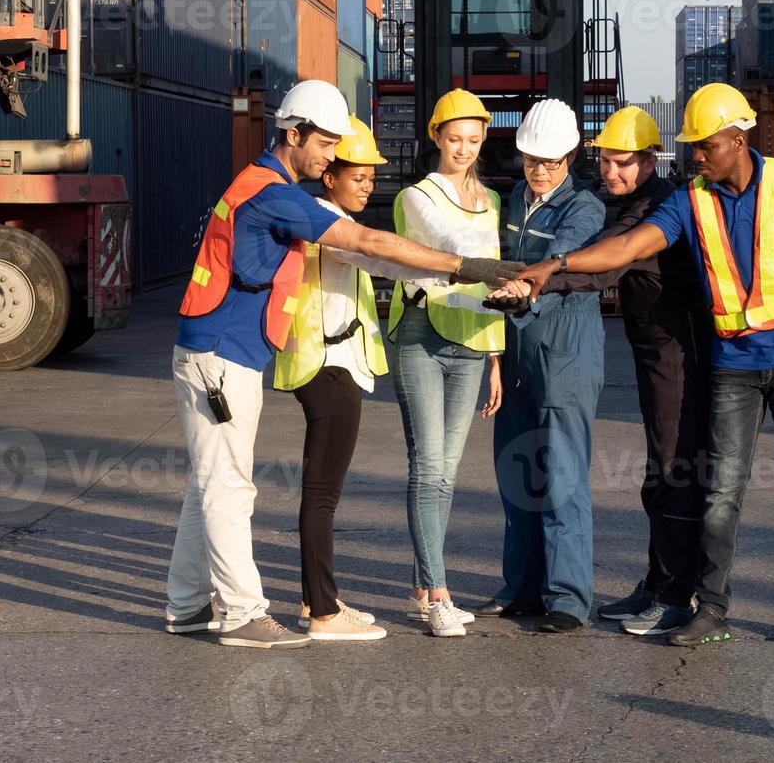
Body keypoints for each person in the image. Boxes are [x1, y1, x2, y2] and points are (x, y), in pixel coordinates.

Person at [163, 80, 520, 650]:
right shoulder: (276, 195)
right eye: (326, 144)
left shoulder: (272, 187)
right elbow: (366, 241)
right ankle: (241, 613)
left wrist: (455, 272)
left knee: (207, 485)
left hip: (221, 354)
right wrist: (464, 265)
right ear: (293, 134)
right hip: (220, 358)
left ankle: (186, 604)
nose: (333, 154)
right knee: (229, 487)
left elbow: (364, 253)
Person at [510, 83, 774, 648]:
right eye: (690, 144)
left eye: (703, 144)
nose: (694, 153)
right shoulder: (689, 200)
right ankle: (703, 605)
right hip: (731, 365)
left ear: (737, 141)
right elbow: (622, 249)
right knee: (717, 490)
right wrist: (555, 264)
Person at [490, 106, 711, 638]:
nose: (611, 173)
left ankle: (668, 593)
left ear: (649, 160)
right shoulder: (541, 198)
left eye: (623, 164)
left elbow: (605, 263)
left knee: (668, 470)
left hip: (674, 351)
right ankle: (642, 584)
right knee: (529, 471)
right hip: (631, 347)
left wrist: (539, 280)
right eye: (606, 162)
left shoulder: (657, 203)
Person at [273, 117, 448, 642]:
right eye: (359, 175)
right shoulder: (325, 221)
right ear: (330, 177)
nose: (369, 184)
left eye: (373, 176)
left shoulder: (322, 214)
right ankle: (324, 613)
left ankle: (315, 600)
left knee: (321, 490)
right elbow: (379, 256)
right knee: (322, 494)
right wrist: (456, 269)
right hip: (328, 366)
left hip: (331, 362)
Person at [470, 98, 606, 634]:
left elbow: (557, 265)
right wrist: (496, 356)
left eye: (550, 162)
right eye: (531, 160)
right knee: (516, 471)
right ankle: (521, 589)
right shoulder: (512, 202)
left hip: (566, 354)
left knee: (562, 477)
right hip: (519, 350)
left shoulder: (584, 209)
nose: (540, 170)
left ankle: (568, 600)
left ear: (571, 156)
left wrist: (526, 288)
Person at [387, 89, 508, 638]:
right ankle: (438, 594)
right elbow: (452, 245)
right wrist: (518, 270)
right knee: (428, 468)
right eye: (454, 138)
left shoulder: (495, 201)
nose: (463, 148)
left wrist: (496, 359)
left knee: (449, 472)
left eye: (473, 140)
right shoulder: (417, 197)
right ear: (436, 137)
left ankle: (418, 588)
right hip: (421, 334)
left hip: (473, 341)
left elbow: (493, 291)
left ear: (484, 140)